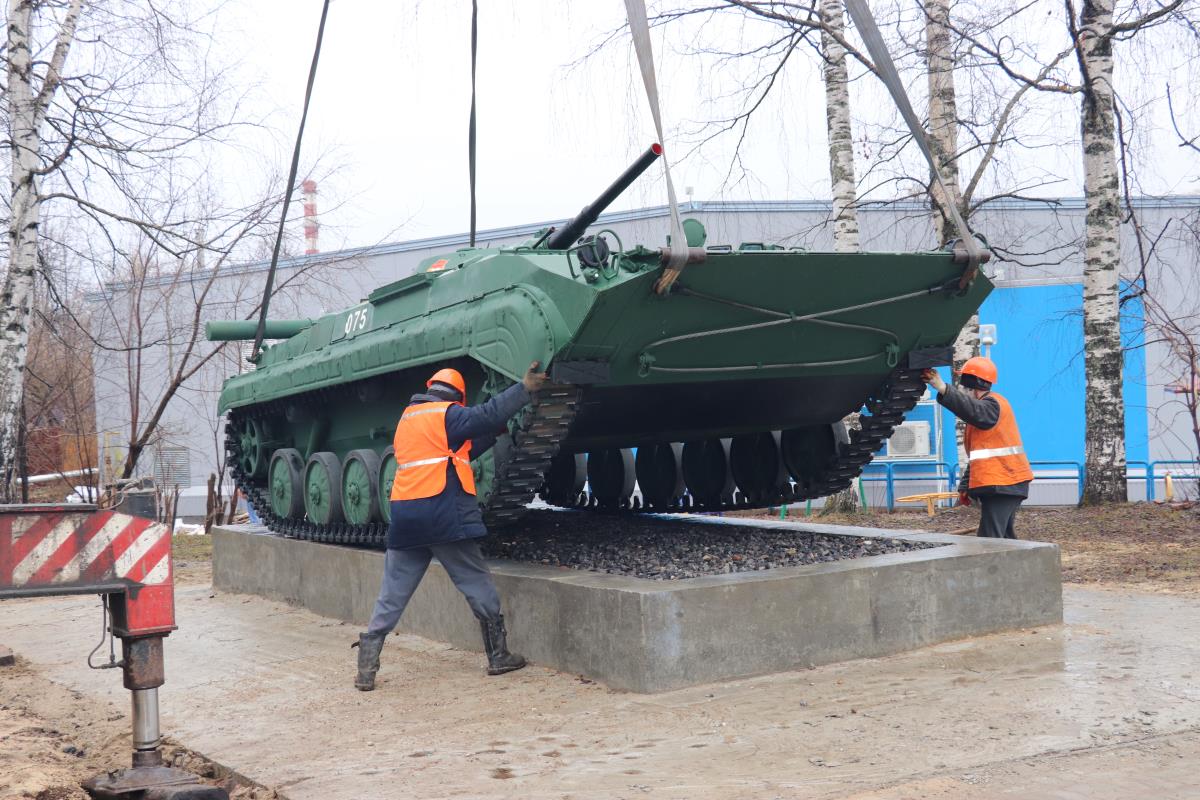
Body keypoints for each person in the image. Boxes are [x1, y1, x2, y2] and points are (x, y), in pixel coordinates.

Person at [353, 361, 548, 690]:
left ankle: (366, 669)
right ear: (457, 397)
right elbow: (482, 415)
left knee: (392, 593)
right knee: (475, 581)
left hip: (406, 518)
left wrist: (498, 429)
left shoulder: (408, 420)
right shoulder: (447, 414)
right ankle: (498, 656)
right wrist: (524, 390)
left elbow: (458, 451)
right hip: (442, 514)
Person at [922, 356, 1033, 539]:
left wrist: (942, 387)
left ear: (971, 384)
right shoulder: (987, 410)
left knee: (990, 539)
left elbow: (972, 410)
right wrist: (966, 486)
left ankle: (993, 567)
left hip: (1004, 483)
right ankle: (1016, 566)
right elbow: (980, 457)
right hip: (1006, 482)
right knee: (1003, 537)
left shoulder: (991, 406)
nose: (964, 391)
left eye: (965, 387)